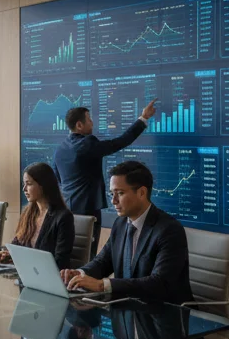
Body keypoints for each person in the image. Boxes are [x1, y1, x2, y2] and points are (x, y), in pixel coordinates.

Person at [28, 159, 192, 339]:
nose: (112, 200)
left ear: (142, 193)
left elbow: (160, 285)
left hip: (165, 320)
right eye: (112, 193)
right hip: (130, 309)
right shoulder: (121, 224)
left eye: (119, 193)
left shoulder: (169, 230)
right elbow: (102, 262)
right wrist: (79, 274)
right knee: (66, 321)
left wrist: (103, 286)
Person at [52, 101, 157, 246]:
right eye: (89, 119)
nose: (92, 123)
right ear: (79, 125)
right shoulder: (87, 144)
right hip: (88, 209)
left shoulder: (59, 150)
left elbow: (57, 178)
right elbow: (119, 142)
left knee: (72, 252)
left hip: (68, 210)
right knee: (87, 253)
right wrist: (143, 118)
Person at [0, 162, 75, 270]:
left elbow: (60, 262)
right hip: (26, 274)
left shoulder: (63, 217)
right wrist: (7, 254)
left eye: (29, 184)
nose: (24, 189)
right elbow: (16, 245)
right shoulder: (27, 213)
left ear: (43, 186)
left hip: (48, 278)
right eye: (24, 184)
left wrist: (21, 259)